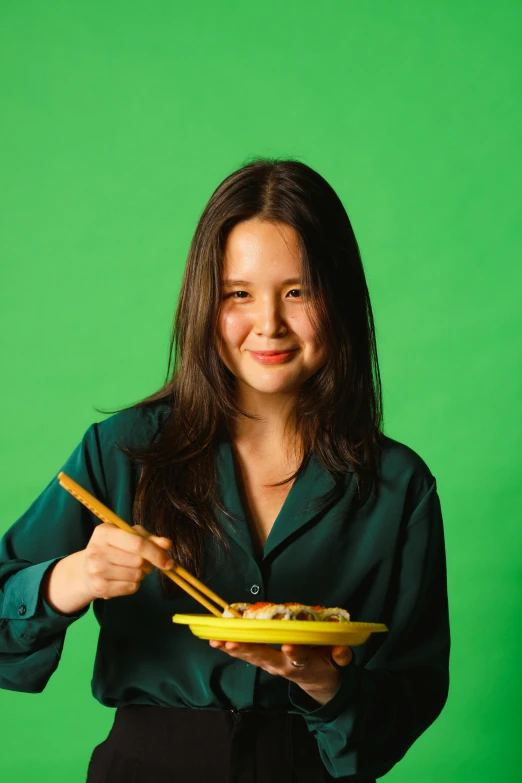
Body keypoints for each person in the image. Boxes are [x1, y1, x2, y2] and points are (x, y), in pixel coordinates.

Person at [0, 157, 450, 782]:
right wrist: (70, 577)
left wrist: (323, 682)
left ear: (339, 298)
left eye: (298, 291)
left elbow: (409, 700)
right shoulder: (121, 449)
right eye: (238, 294)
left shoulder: (400, 486)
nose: (268, 323)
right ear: (203, 304)